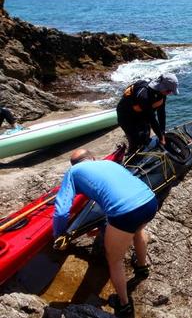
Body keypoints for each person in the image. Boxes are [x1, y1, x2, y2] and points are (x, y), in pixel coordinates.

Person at [53, 149, 158, 317]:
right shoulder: (108, 163)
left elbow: (61, 212)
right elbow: (113, 192)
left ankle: (124, 304)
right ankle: (142, 269)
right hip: (149, 201)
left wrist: (58, 235)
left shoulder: (73, 172)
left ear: (73, 165)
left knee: (114, 260)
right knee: (137, 231)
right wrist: (107, 225)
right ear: (93, 158)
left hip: (126, 212)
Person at [116, 73, 179, 155]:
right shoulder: (144, 95)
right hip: (126, 115)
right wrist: (160, 137)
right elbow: (151, 119)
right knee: (134, 139)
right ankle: (131, 157)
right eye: (169, 91)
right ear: (162, 87)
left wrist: (162, 132)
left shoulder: (162, 93)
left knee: (145, 136)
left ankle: (143, 150)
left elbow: (161, 113)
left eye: (170, 91)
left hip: (142, 113)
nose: (169, 93)